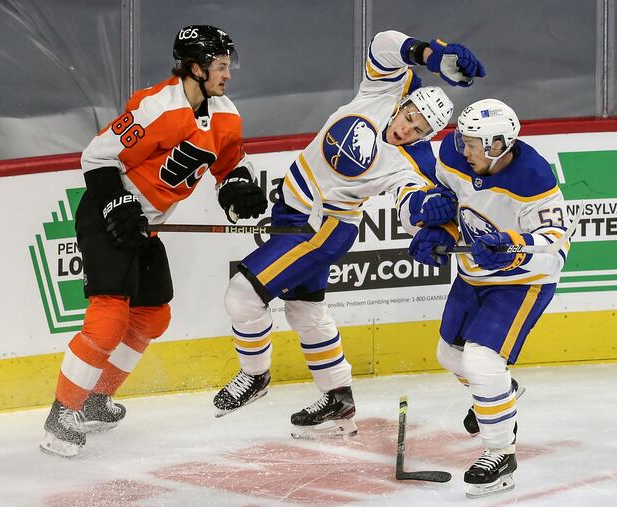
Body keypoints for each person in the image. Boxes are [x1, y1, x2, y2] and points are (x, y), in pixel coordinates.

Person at [213, 30, 485, 439]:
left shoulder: (406, 164)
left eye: (419, 130)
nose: (406, 129)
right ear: (404, 104)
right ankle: (338, 399)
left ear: (426, 137)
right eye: (410, 117)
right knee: (303, 310)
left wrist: (426, 210)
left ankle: (254, 376)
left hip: (321, 228)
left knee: (242, 294)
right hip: (292, 210)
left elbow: (408, 203)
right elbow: (383, 43)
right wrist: (429, 53)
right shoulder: (380, 93)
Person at [39, 25, 267, 457]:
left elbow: (229, 162)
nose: (228, 75)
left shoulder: (225, 114)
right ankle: (59, 417)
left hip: (146, 227)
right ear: (196, 68)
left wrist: (237, 187)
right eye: (220, 66)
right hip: (109, 218)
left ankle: (93, 401)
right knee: (108, 318)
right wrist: (117, 204)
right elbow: (96, 156)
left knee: (151, 316)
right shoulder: (155, 109)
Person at [407, 98, 570, 497]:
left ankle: (500, 456)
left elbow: (557, 241)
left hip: (522, 281)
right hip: (474, 274)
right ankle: (503, 394)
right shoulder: (453, 153)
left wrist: (512, 244)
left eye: (472, 144)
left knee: (482, 360)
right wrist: (437, 232)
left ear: (498, 145)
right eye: (462, 140)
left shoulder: (533, 177)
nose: (463, 150)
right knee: (450, 355)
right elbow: (449, 206)